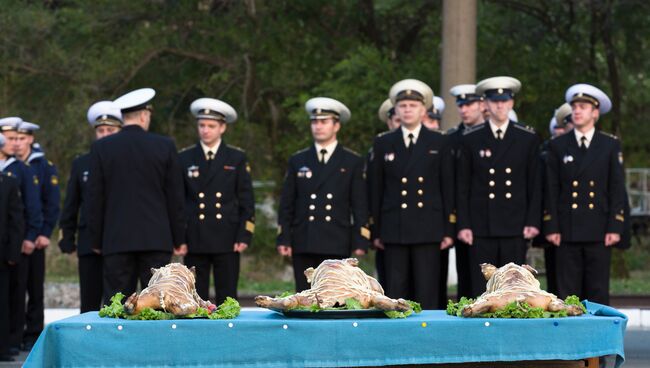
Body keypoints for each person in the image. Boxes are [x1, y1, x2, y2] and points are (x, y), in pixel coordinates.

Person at [87, 88, 186, 301]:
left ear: (123, 119)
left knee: (118, 304)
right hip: (156, 239)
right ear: (144, 116)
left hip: (116, 240)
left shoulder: (101, 148)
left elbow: (94, 199)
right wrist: (179, 238)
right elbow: (175, 197)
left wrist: (95, 239)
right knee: (159, 302)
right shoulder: (165, 146)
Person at [369, 79, 455, 309]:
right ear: (395, 109)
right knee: (396, 291)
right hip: (394, 227)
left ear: (423, 110)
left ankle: (428, 340)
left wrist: (448, 229)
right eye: (403, 106)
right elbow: (376, 189)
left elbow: (447, 188)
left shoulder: (440, 141)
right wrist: (375, 230)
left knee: (427, 290)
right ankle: (396, 340)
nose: (407, 110)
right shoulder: (383, 143)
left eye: (413, 105)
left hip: (429, 227)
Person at [456, 76, 542, 297]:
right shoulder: (471, 138)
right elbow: (463, 185)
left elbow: (534, 183)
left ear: (511, 103)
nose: (500, 106)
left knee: (515, 284)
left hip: (515, 223)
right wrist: (464, 224)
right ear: (486, 105)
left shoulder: (527, 137)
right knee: (482, 285)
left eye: (504, 101)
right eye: (495, 101)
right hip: (480, 224)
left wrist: (533, 221)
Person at [544, 84, 625, 305]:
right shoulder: (558, 145)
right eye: (574, 107)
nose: (577, 111)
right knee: (567, 292)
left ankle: (598, 337)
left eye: (583, 107)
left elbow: (616, 188)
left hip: (598, 229)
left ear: (595, 113)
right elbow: (551, 189)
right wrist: (551, 226)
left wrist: (615, 226)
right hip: (566, 229)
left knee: (597, 290)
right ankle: (566, 339)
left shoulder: (609, 145)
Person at [277, 97, 370, 291]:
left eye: (324, 121)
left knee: (336, 296)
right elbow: (287, 203)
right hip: (305, 238)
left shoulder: (351, 161)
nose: (318, 126)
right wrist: (284, 236)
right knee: (304, 296)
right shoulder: (298, 159)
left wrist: (360, 239)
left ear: (336, 125)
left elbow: (359, 205)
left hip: (336, 240)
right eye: (314, 122)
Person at [179, 98, 255, 304]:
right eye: (202, 125)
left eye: (211, 126)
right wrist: (179, 238)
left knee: (228, 296)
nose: (205, 130)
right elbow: (179, 201)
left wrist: (244, 234)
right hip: (195, 237)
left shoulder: (236, 158)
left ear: (223, 127)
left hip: (227, 237)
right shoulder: (185, 158)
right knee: (195, 298)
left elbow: (246, 200)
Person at [59, 101, 123, 313]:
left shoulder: (127, 161)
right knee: (89, 299)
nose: (105, 135)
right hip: (88, 240)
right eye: (101, 130)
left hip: (118, 239)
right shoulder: (82, 163)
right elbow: (72, 203)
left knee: (117, 301)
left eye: (110, 130)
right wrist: (67, 236)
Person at [11, 120, 60, 350]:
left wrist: (44, 232)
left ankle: (33, 334)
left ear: (30, 139)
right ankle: (14, 333)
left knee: (34, 288)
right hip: (13, 238)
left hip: (35, 237)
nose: (18, 143)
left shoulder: (43, 166)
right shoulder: (8, 165)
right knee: (15, 288)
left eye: (22, 139)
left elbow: (51, 203)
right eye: (14, 139)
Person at [0, 117, 42, 355]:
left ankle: (13, 339)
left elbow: (31, 206)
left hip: (16, 240)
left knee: (17, 291)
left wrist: (30, 235)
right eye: (9, 138)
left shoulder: (21, 170)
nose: (13, 143)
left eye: (17, 138)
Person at [446, 84, 484, 299]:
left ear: (482, 105)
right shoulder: (450, 138)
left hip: (485, 216)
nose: (464, 110)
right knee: (466, 278)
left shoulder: (488, 136)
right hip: (460, 218)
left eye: (469, 104)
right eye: (461, 105)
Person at [0, 133, 25, 362]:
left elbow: (15, 220)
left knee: (3, 301)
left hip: (2, 254)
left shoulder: (8, 182)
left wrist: (12, 253)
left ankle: (3, 346)